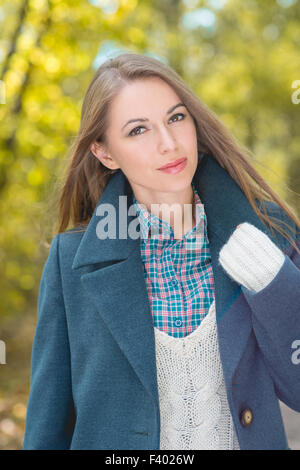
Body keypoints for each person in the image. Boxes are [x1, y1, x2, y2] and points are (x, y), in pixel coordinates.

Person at [23, 53, 300, 450]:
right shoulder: (71, 262)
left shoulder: (267, 233)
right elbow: (47, 429)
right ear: (105, 153)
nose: (169, 143)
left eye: (176, 118)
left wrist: (272, 283)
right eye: (138, 130)